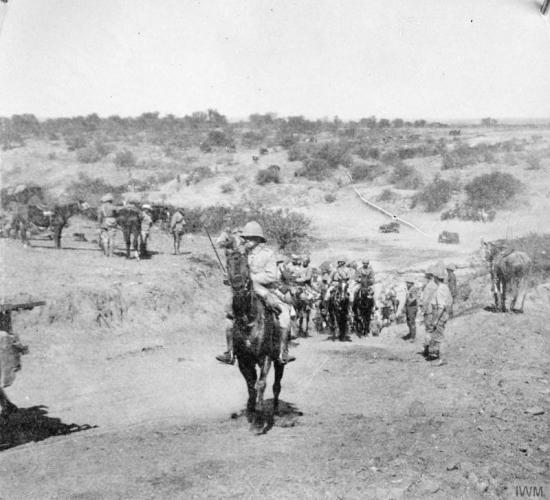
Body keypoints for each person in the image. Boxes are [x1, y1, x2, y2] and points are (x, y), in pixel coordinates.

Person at [216, 221, 295, 365]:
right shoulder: (241, 253)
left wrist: (250, 278)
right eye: (245, 237)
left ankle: (283, 351)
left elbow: (271, 276)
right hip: (244, 291)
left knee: (284, 315)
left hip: (265, 290)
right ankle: (230, 352)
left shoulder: (268, 254)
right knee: (229, 316)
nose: (246, 240)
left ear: (258, 239)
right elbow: (236, 270)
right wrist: (231, 277)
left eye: (250, 237)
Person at [424, 265, 453, 362]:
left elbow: (441, 307)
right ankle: (436, 356)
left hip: (440, 315)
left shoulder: (441, 289)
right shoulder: (444, 287)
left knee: (438, 336)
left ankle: (442, 358)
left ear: (436, 277)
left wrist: (436, 320)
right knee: (437, 335)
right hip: (442, 314)